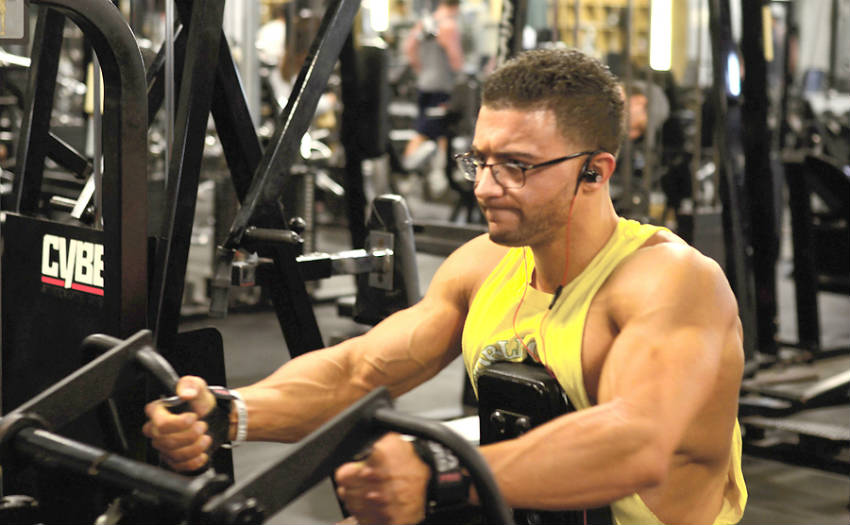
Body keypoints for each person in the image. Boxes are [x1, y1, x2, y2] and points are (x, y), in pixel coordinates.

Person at [144, 48, 747, 525]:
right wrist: (232, 413)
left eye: (516, 165)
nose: (484, 187)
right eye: (479, 160)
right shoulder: (485, 265)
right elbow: (359, 373)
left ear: (595, 171)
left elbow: (635, 445)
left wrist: (442, 474)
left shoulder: (671, 281)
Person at [400, 0, 464, 174]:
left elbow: (408, 47)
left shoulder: (425, 23)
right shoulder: (449, 26)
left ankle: (438, 176)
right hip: (442, 87)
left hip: (425, 84)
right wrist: (460, 75)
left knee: (435, 132)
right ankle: (414, 172)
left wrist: (421, 69)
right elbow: (456, 60)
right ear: (456, 6)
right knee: (429, 132)